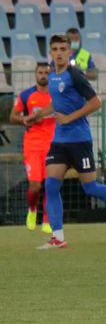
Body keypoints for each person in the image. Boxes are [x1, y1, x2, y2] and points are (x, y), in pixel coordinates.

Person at [39, 35, 106, 249]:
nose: (58, 53)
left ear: (69, 53)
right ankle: (58, 238)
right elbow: (57, 103)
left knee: (90, 188)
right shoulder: (51, 75)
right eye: (55, 49)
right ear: (50, 52)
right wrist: (39, 114)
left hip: (80, 140)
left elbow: (95, 103)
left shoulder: (75, 75)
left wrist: (69, 118)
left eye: (62, 49)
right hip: (59, 141)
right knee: (51, 185)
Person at [10, 63, 55, 233]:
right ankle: (32, 209)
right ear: (35, 75)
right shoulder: (26, 95)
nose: (43, 75)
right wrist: (25, 119)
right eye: (40, 72)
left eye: (46, 73)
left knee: (51, 184)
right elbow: (12, 116)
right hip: (33, 145)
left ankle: (46, 220)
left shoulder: (56, 95)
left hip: (53, 145)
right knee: (35, 186)